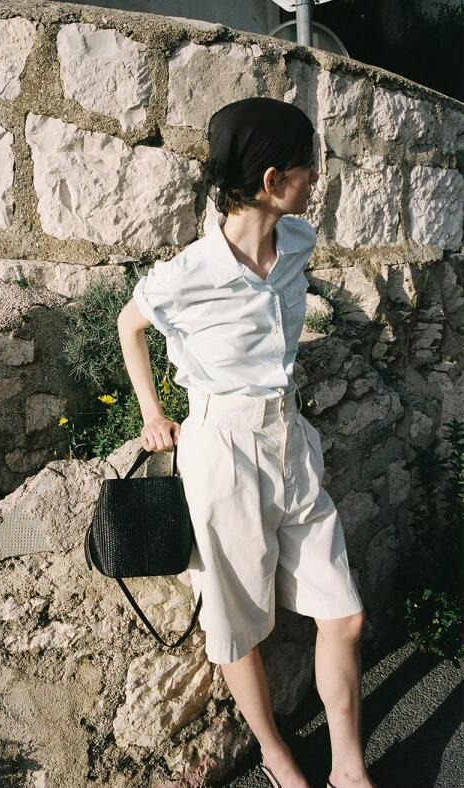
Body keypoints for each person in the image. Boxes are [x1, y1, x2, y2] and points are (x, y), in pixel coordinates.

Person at [117, 98, 376, 788]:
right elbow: (128, 326)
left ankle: (349, 770)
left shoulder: (298, 243)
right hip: (222, 451)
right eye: (308, 167)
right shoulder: (188, 274)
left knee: (344, 615)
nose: (316, 179)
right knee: (236, 628)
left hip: (290, 438)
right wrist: (151, 413)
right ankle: (276, 756)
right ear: (271, 181)